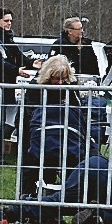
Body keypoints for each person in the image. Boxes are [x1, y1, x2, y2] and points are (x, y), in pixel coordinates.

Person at [18, 55, 95, 196]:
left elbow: (77, 110)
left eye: (63, 78)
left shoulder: (70, 86)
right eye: (56, 78)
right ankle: (25, 201)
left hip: (64, 133)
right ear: (48, 76)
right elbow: (30, 112)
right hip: (35, 134)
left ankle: (69, 199)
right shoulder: (36, 87)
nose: (60, 82)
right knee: (31, 166)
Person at [0, 7, 40, 160]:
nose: (9, 24)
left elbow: (17, 55)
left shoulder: (7, 37)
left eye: (11, 21)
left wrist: (33, 63)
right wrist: (16, 71)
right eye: (6, 21)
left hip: (5, 83)